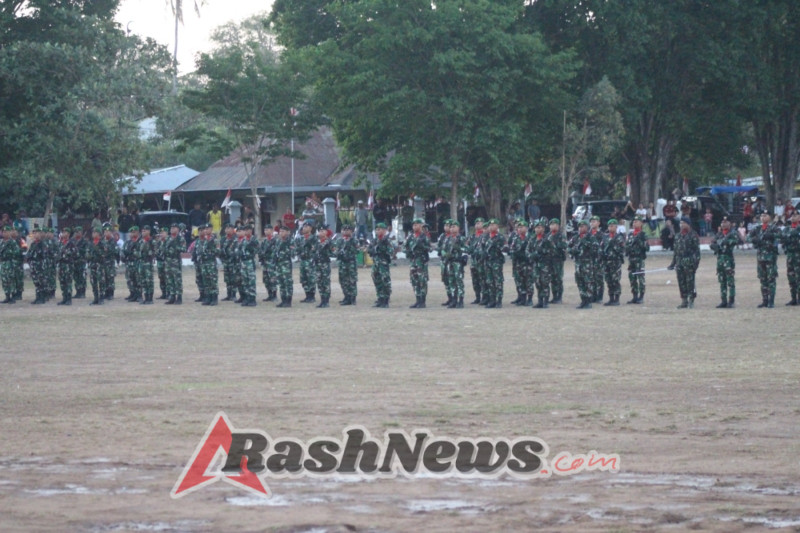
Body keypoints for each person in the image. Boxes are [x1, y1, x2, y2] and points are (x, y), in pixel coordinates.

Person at [748, 212, 780, 308]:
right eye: (762, 215)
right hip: (761, 258)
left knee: (771, 279)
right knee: (763, 279)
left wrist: (771, 236)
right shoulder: (757, 228)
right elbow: (747, 237)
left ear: (770, 217)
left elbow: (780, 236)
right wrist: (754, 240)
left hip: (770, 257)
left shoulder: (773, 228)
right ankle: (764, 300)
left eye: (765, 215)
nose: (763, 217)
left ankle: (771, 301)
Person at [668, 217, 701, 309]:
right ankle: (684, 300)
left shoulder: (693, 235)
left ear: (688, 224)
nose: (681, 225)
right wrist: (673, 263)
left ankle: (691, 300)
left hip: (689, 262)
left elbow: (697, 251)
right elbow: (676, 251)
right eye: (680, 223)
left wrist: (695, 264)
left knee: (690, 282)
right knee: (681, 282)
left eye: (683, 223)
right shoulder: (678, 236)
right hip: (679, 262)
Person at [710, 217, 739, 308]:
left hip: (728, 259)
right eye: (722, 222)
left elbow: (735, 241)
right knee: (722, 281)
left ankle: (731, 300)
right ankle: (723, 300)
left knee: (730, 281)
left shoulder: (732, 234)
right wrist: (714, 246)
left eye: (726, 222)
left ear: (730, 224)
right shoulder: (719, 234)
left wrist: (726, 242)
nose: (723, 224)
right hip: (720, 260)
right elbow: (712, 243)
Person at [404, 217, 431, 308]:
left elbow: (429, 248)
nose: (414, 226)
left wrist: (422, 246)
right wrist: (408, 252)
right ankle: (417, 299)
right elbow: (405, 247)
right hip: (413, 260)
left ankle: (422, 301)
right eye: (413, 225)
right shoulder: (410, 236)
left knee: (422, 280)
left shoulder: (424, 237)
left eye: (416, 225)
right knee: (414, 280)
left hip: (421, 261)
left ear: (420, 226)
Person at [528, 218, 554, 308]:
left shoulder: (547, 239)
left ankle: (545, 301)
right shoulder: (532, 239)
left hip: (545, 264)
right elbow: (527, 250)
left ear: (543, 228)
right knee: (537, 283)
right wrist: (531, 255)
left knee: (545, 283)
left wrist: (542, 251)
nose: (538, 229)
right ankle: (540, 301)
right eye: (536, 227)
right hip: (535, 264)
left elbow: (551, 250)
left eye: (540, 227)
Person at [624, 216, 650, 304]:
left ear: (641, 223)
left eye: (637, 221)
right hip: (631, 259)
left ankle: (641, 296)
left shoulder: (643, 234)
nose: (634, 223)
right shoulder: (631, 234)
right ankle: (634, 296)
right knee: (632, 278)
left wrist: (639, 240)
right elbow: (627, 245)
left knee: (640, 277)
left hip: (639, 259)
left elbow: (647, 247)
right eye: (634, 221)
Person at [601, 218, 626, 306]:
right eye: (609, 226)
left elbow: (622, 250)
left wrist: (613, 247)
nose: (610, 228)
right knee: (609, 280)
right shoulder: (605, 237)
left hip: (615, 262)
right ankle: (611, 298)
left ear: (616, 227)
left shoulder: (619, 237)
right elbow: (602, 248)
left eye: (612, 226)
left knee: (615, 280)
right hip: (607, 262)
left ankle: (617, 298)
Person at [442, 219, 467, 308]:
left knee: (459, 281)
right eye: (451, 227)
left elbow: (467, 249)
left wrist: (459, 249)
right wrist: (446, 254)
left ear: (458, 228)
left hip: (458, 262)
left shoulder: (461, 238)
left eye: (454, 227)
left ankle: (460, 301)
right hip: (450, 263)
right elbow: (443, 250)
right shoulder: (448, 239)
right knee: (451, 281)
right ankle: (453, 300)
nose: (452, 229)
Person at [482, 218, 506, 309]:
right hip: (488, 262)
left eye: (493, 225)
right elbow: (483, 248)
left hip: (496, 262)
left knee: (498, 281)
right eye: (490, 225)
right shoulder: (486, 237)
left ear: (497, 226)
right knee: (490, 282)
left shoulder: (500, 237)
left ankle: (499, 300)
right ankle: (492, 300)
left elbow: (502, 249)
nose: (491, 227)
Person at [368, 222, 393, 307]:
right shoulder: (375, 240)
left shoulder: (387, 240)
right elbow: (370, 249)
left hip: (383, 263)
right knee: (377, 280)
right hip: (376, 262)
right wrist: (372, 250)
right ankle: (380, 298)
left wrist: (383, 247)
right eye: (376, 229)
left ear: (384, 231)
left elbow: (391, 251)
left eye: (379, 229)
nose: (377, 231)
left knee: (385, 280)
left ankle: (386, 299)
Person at [334, 224, 359, 305]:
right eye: (344, 230)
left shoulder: (354, 240)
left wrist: (350, 243)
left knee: (352, 280)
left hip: (351, 263)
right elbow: (336, 251)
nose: (345, 231)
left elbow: (357, 251)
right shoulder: (339, 240)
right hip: (342, 263)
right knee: (343, 280)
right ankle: (346, 296)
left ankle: (353, 298)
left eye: (348, 230)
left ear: (352, 231)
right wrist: (338, 253)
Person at [509, 220, 532, 306]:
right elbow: (511, 249)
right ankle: (522, 298)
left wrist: (527, 256)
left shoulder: (530, 238)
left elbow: (532, 249)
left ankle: (529, 299)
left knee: (528, 281)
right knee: (520, 281)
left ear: (526, 228)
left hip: (527, 264)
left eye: (522, 227)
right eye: (519, 227)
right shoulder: (515, 238)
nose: (520, 229)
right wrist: (515, 253)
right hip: (518, 263)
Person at [295, 221, 318, 303]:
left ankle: (312, 296)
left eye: (307, 227)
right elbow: (296, 249)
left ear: (311, 228)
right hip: (303, 261)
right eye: (304, 227)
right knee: (304, 279)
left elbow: (316, 249)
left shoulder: (314, 238)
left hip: (310, 261)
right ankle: (307, 295)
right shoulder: (300, 238)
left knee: (311, 279)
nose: (304, 228)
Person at [467, 218, 487, 304]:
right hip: (474, 262)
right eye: (476, 223)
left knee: (483, 279)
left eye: (479, 223)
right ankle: (477, 297)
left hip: (482, 262)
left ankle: (485, 297)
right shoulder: (473, 236)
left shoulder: (485, 235)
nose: (477, 225)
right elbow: (468, 247)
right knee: (475, 280)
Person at [781, 210, 800, 306]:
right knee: (791, 277)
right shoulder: (787, 229)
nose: (793, 217)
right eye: (792, 216)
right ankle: (793, 298)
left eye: (796, 215)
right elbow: (783, 240)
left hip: (798, 256)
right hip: (790, 257)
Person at [274, 225, 295, 307]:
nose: (281, 233)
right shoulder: (278, 241)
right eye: (280, 231)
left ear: (288, 232)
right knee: (281, 283)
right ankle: (283, 300)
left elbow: (292, 253)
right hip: (279, 264)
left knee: (287, 282)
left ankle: (288, 301)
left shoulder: (290, 241)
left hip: (286, 264)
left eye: (283, 231)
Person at [237, 224, 259, 307]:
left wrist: (251, 249)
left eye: (247, 230)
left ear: (251, 230)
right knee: (245, 281)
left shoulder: (254, 239)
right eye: (245, 230)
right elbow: (239, 250)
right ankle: (247, 298)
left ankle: (252, 298)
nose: (246, 232)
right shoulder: (243, 240)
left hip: (250, 261)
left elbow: (257, 249)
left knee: (251, 281)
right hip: (243, 262)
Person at [313, 225, 334, 308]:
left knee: (325, 282)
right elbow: (313, 251)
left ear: (326, 232)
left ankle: (326, 301)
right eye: (320, 231)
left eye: (323, 231)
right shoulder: (317, 242)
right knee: (319, 282)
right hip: (317, 264)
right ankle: (322, 300)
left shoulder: (329, 242)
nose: (321, 233)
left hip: (325, 264)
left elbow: (333, 252)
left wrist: (327, 253)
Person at [164, 222, 185, 305]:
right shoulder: (168, 238)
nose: (172, 229)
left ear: (178, 229)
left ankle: (179, 296)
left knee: (177, 280)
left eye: (174, 227)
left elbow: (183, 249)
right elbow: (164, 248)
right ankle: (172, 296)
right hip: (168, 261)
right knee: (170, 280)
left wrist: (175, 247)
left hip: (176, 261)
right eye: (171, 227)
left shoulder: (180, 239)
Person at [199, 224, 219, 306]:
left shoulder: (214, 240)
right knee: (206, 280)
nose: (205, 230)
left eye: (207, 228)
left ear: (211, 229)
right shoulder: (203, 240)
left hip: (211, 262)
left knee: (212, 280)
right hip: (204, 262)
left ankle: (214, 297)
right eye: (205, 229)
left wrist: (212, 251)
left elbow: (218, 251)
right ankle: (208, 297)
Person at [547, 218, 567, 304]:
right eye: (551, 225)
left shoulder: (560, 236)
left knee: (558, 279)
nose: (553, 226)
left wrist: (554, 245)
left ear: (558, 226)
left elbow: (563, 246)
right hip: (549, 260)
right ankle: (554, 296)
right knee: (552, 279)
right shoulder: (548, 235)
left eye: (555, 224)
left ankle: (559, 296)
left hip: (557, 260)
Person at [0, 225, 21, 303]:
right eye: (3, 232)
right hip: (3, 263)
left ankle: (13, 296)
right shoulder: (1, 242)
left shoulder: (12, 242)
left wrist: (8, 253)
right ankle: (7, 296)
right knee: (4, 280)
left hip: (10, 263)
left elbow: (17, 251)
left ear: (9, 233)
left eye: (6, 232)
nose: (5, 233)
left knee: (11, 280)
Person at [219, 223, 239, 302]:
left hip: (233, 262)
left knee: (233, 279)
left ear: (233, 229)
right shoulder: (223, 239)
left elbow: (236, 251)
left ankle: (233, 294)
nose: (227, 230)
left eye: (229, 228)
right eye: (226, 228)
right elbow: (221, 250)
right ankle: (229, 294)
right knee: (227, 279)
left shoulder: (235, 239)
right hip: (226, 261)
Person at [135, 225, 156, 304]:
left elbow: (155, 251)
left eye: (145, 230)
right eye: (142, 230)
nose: (143, 232)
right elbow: (136, 251)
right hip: (141, 262)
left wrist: (149, 254)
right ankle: (146, 297)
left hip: (148, 263)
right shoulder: (140, 241)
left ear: (149, 232)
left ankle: (150, 298)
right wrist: (139, 254)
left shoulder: (151, 241)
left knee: (149, 281)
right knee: (143, 281)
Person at [86, 227, 106, 305]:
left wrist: (96, 250)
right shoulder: (90, 243)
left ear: (99, 234)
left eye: (95, 232)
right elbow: (87, 253)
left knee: (101, 282)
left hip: (99, 265)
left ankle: (101, 298)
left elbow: (104, 254)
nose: (93, 234)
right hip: (92, 265)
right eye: (93, 232)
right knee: (93, 282)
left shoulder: (102, 243)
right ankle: (96, 298)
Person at [258, 225, 278, 302]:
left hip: (272, 263)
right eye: (265, 230)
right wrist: (261, 259)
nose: (266, 231)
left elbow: (276, 251)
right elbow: (260, 251)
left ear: (272, 230)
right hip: (265, 263)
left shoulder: (275, 240)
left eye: (268, 230)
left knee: (272, 279)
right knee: (266, 280)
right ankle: (269, 295)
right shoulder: (264, 241)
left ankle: (274, 295)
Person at [436, 220, 453, 306]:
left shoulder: (453, 237)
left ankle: (454, 298)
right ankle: (449, 298)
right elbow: (438, 247)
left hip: (451, 261)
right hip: (443, 261)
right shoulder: (442, 236)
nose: (446, 227)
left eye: (448, 225)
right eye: (445, 225)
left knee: (452, 280)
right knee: (445, 280)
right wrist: (440, 251)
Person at [588, 215, 604, 303]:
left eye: (594, 221)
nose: (592, 223)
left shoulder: (602, 234)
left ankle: (599, 296)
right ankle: (592, 295)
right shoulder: (588, 234)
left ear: (598, 223)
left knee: (599, 278)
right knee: (591, 278)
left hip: (599, 259)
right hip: (590, 259)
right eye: (591, 221)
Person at [122, 226, 140, 301]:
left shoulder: (139, 242)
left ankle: (138, 295)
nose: (131, 234)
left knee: (137, 280)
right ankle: (132, 293)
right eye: (130, 233)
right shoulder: (127, 242)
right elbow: (123, 251)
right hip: (128, 263)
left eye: (133, 232)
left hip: (136, 263)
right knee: (130, 279)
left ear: (137, 233)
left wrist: (132, 253)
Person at [71, 226, 88, 299]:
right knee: (76, 277)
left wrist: (78, 249)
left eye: (78, 232)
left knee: (82, 278)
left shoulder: (84, 241)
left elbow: (86, 251)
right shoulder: (72, 241)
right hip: (75, 262)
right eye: (76, 232)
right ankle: (78, 291)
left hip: (81, 261)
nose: (77, 233)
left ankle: (82, 292)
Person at [102, 224, 118, 299]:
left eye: (108, 231)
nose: (106, 233)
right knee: (105, 278)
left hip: (110, 262)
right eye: (105, 231)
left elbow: (114, 251)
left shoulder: (113, 241)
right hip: (104, 262)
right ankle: (106, 292)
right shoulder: (103, 241)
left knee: (110, 278)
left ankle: (111, 293)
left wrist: (107, 250)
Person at [154, 226, 168, 299]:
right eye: (161, 233)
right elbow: (155, 250)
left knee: (167, 278)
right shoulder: (158, 242)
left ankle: (169, 293)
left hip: (167, 262)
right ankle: (164, 293)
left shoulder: (169, 241)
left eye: (163, 233)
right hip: (160, 262)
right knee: (161, 278)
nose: (161, 234)